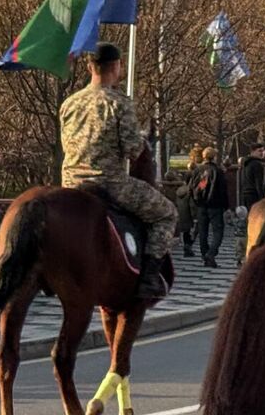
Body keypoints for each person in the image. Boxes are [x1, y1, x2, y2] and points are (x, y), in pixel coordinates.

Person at [59, 43, 175, 299]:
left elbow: (68, 145)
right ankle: (149, 277)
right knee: (167, 213)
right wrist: (141, 140)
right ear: (117, 67)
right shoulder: (119, 103)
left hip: (71, 184)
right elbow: (133, 150)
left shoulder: (69, 104)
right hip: (109, 184)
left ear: (89, 67)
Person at [191, 148, 233, 267]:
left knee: (202, 232)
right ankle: (211, 253)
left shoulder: (198, 170)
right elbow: (223, 190)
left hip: (201, 205)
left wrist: (196, 201)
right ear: (214, 157)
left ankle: (205, 255)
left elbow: (193, 187)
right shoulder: (218, 171)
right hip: (215, 205)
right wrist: (226, 207)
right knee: (218, 231)